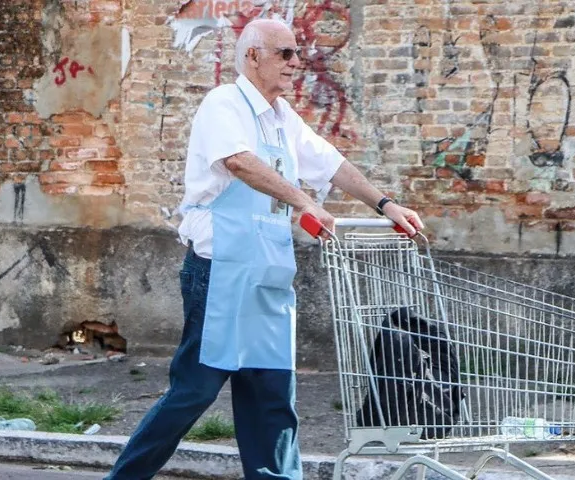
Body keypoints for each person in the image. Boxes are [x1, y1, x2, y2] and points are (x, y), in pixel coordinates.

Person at [105, 17, 424, 480]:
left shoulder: (282, 118)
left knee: (272, 395)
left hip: (269, 277)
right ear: (253, 56)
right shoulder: (224, 104)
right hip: (220, 274)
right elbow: (239, 162)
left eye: (298, 53)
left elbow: (331, 162)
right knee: (193, 392)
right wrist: (303, 200)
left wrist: (385, 203)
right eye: (286, 53)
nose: (298, 62)